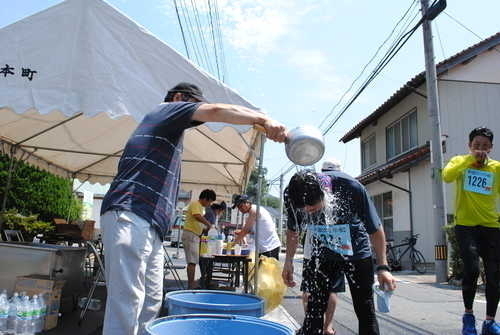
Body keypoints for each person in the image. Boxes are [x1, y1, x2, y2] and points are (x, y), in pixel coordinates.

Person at [99, 82, 287, 334]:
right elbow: (217, 110)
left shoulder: (168, 131)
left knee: (151, 301)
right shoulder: (165, 111)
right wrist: (264, 119)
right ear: (179, 98)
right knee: (127, 303)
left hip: (150, 226)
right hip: (131, 215)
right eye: (193, 106)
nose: (196, 117)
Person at [282, 170, 396, 335]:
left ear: (325, 194)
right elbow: (293, 231)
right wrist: (288, 261)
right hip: (322, 251)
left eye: (312, 208)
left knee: (364, 308)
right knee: (314, 309)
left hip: (356, 250)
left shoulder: (351, 188)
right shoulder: (294, 195)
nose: (307, 211)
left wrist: (383, 267)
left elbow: (375, 230)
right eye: (304, 209)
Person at [442, 127, 500, 335]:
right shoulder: (460, 162)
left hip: (492, 227)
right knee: (473, 269)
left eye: (485, 146)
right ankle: (468, 316)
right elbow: (447, 177)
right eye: (476, 145)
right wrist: (469, 160)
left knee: (494, 275)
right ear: (469, 146)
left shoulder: (496, 168)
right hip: (466, 227)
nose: (480, 150)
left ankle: (490, 322)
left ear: (491, 148)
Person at [182, 189, 216, 289]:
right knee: (192, 262)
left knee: (193, 261)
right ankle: (191, 284)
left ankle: (191, 283)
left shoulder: (200, 207)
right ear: (205, 199)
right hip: (191, 234)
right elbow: (196, 216)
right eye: (209, 201)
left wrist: (205, 228)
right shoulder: (195, 204)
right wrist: (208, 223)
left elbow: (198, 221)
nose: (209, 204)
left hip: (195, 235)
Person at [233, 194, 281, 260]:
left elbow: (245, 230)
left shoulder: (254, 211)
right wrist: (242, 233)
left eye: (241, 206)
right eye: (238, 207)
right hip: (265, 247)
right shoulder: (252, 211)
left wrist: (232, 245)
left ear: (247, 202)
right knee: (261, 269)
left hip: (270, 246)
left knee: (268, 269)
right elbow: (252, 230)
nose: (240, 209)